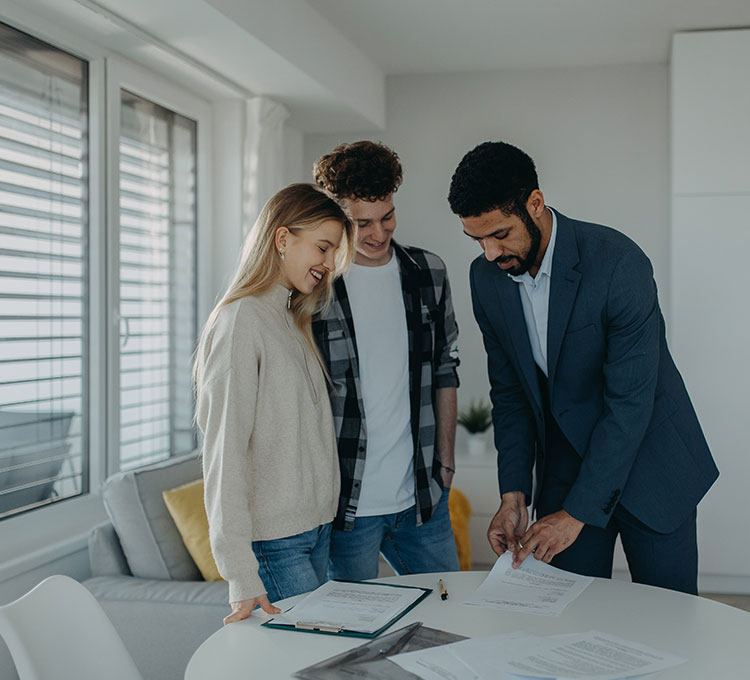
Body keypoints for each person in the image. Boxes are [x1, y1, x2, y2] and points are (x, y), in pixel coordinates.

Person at [447, 141, 719, 595]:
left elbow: (630, 404)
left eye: (500, 234)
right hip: (566, 466)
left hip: (652, 462)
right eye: (477, 240)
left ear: (535, 204)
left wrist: (576, 515)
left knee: (669, 619)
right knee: (563, 616)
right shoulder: (486, 279)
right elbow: (510, 391)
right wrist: (513, 493)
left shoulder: (618, 264)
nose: (490, 253)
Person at [194, 183, 356, 623]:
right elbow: (223, 454)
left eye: (333, 252)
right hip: (276, 541)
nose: (328, 263)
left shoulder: (291, 319)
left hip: (314, 530)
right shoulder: (241, 320)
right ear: (283, 239)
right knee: (312, 663)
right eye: (323, 247)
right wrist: (240, 574)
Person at [312, 141, 461, 580]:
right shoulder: (315, 288)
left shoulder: (428, 272)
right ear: (336, 218)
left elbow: (447, 367)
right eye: (362, 224)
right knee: (357, 640)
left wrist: (446, 465)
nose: (378, 234)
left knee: (450, 616)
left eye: (387, 217)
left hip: (422, 500)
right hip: (346, 509)